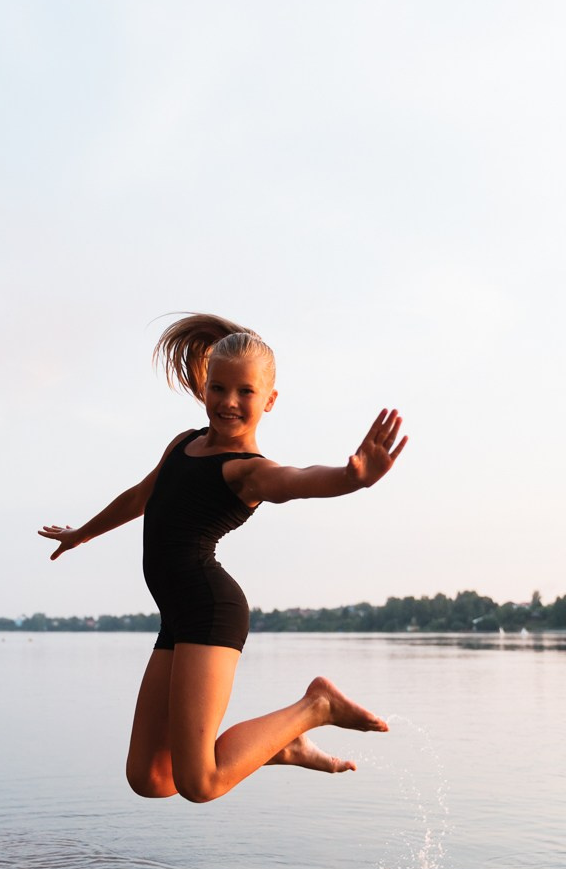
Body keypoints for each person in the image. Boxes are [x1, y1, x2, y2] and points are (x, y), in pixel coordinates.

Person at [39, 313, 407, 804]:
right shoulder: (183, 444)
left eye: (246, 392)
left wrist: (350, 478)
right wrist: (83, 533)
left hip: (210, 611)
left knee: (201, 783)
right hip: (177, 615)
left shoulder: (248, 472)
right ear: (204, 387)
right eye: (219, 387)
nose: (229, 402)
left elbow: (298, 481)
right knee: (150, 778)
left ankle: (316, 706)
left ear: (269, 400)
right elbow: (140, 497)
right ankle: (278, 745)